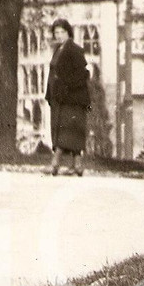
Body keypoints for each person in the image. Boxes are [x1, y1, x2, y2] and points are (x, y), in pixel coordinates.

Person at [44, 17, 90, 176]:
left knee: (66, 131)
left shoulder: (75, 50)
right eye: (56, 32)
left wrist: (65, 87)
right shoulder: (58, 50)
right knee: (67, 131)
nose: (59, 35)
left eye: (62, 32)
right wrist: (50, 94)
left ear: (68, 33)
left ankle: (55, 164)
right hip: (59, 97)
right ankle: (77, 166)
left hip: (72, 98)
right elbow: (53, 74)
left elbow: (82, 74)